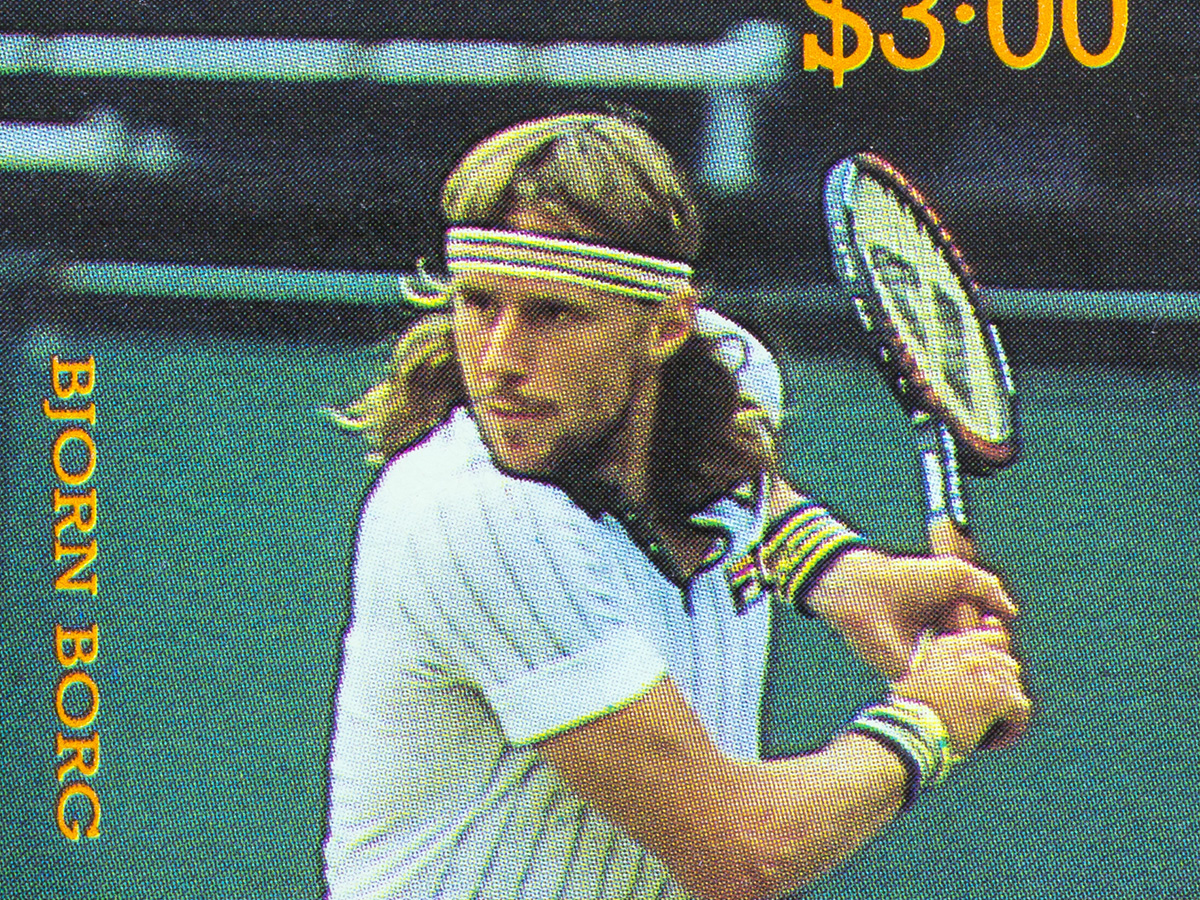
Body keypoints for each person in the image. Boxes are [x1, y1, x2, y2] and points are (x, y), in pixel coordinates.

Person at [322, 112, 1030, 900]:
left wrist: (839, 571)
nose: (499, 361)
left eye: (553, 314)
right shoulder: (470, 518)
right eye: (479, 304)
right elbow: (740, 852)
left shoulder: (733, 384)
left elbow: (730, 474)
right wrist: (928, 720)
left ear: (667, 327)